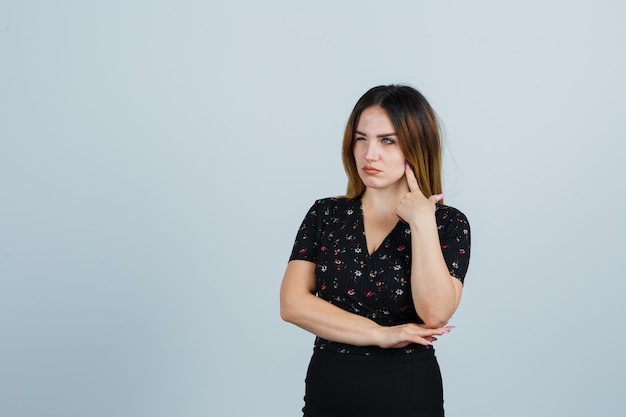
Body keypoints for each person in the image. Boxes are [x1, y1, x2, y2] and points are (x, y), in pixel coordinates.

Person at [280, 84, 471, 417]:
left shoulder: (447, 224)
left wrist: (423, 222)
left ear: (417, 146)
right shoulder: (326, 214)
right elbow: (293, 304)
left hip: (407, 390)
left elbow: (435, 313)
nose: (370, 154)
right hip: (330, 386)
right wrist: (380, 334)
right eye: (361, 138)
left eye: (388, 140)